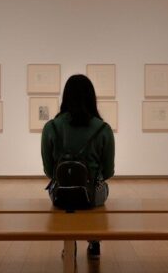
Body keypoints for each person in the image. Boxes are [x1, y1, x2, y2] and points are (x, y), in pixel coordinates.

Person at [41, 74, 115, 259]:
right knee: (99, 187)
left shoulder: (51, 127)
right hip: (92, 194)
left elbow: (49, 171)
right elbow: (108, 172)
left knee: (67, 195)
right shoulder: (103, 129)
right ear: (92, 98)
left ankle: (70, 244)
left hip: (60, 194)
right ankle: (94, 241)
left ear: (65, 97)